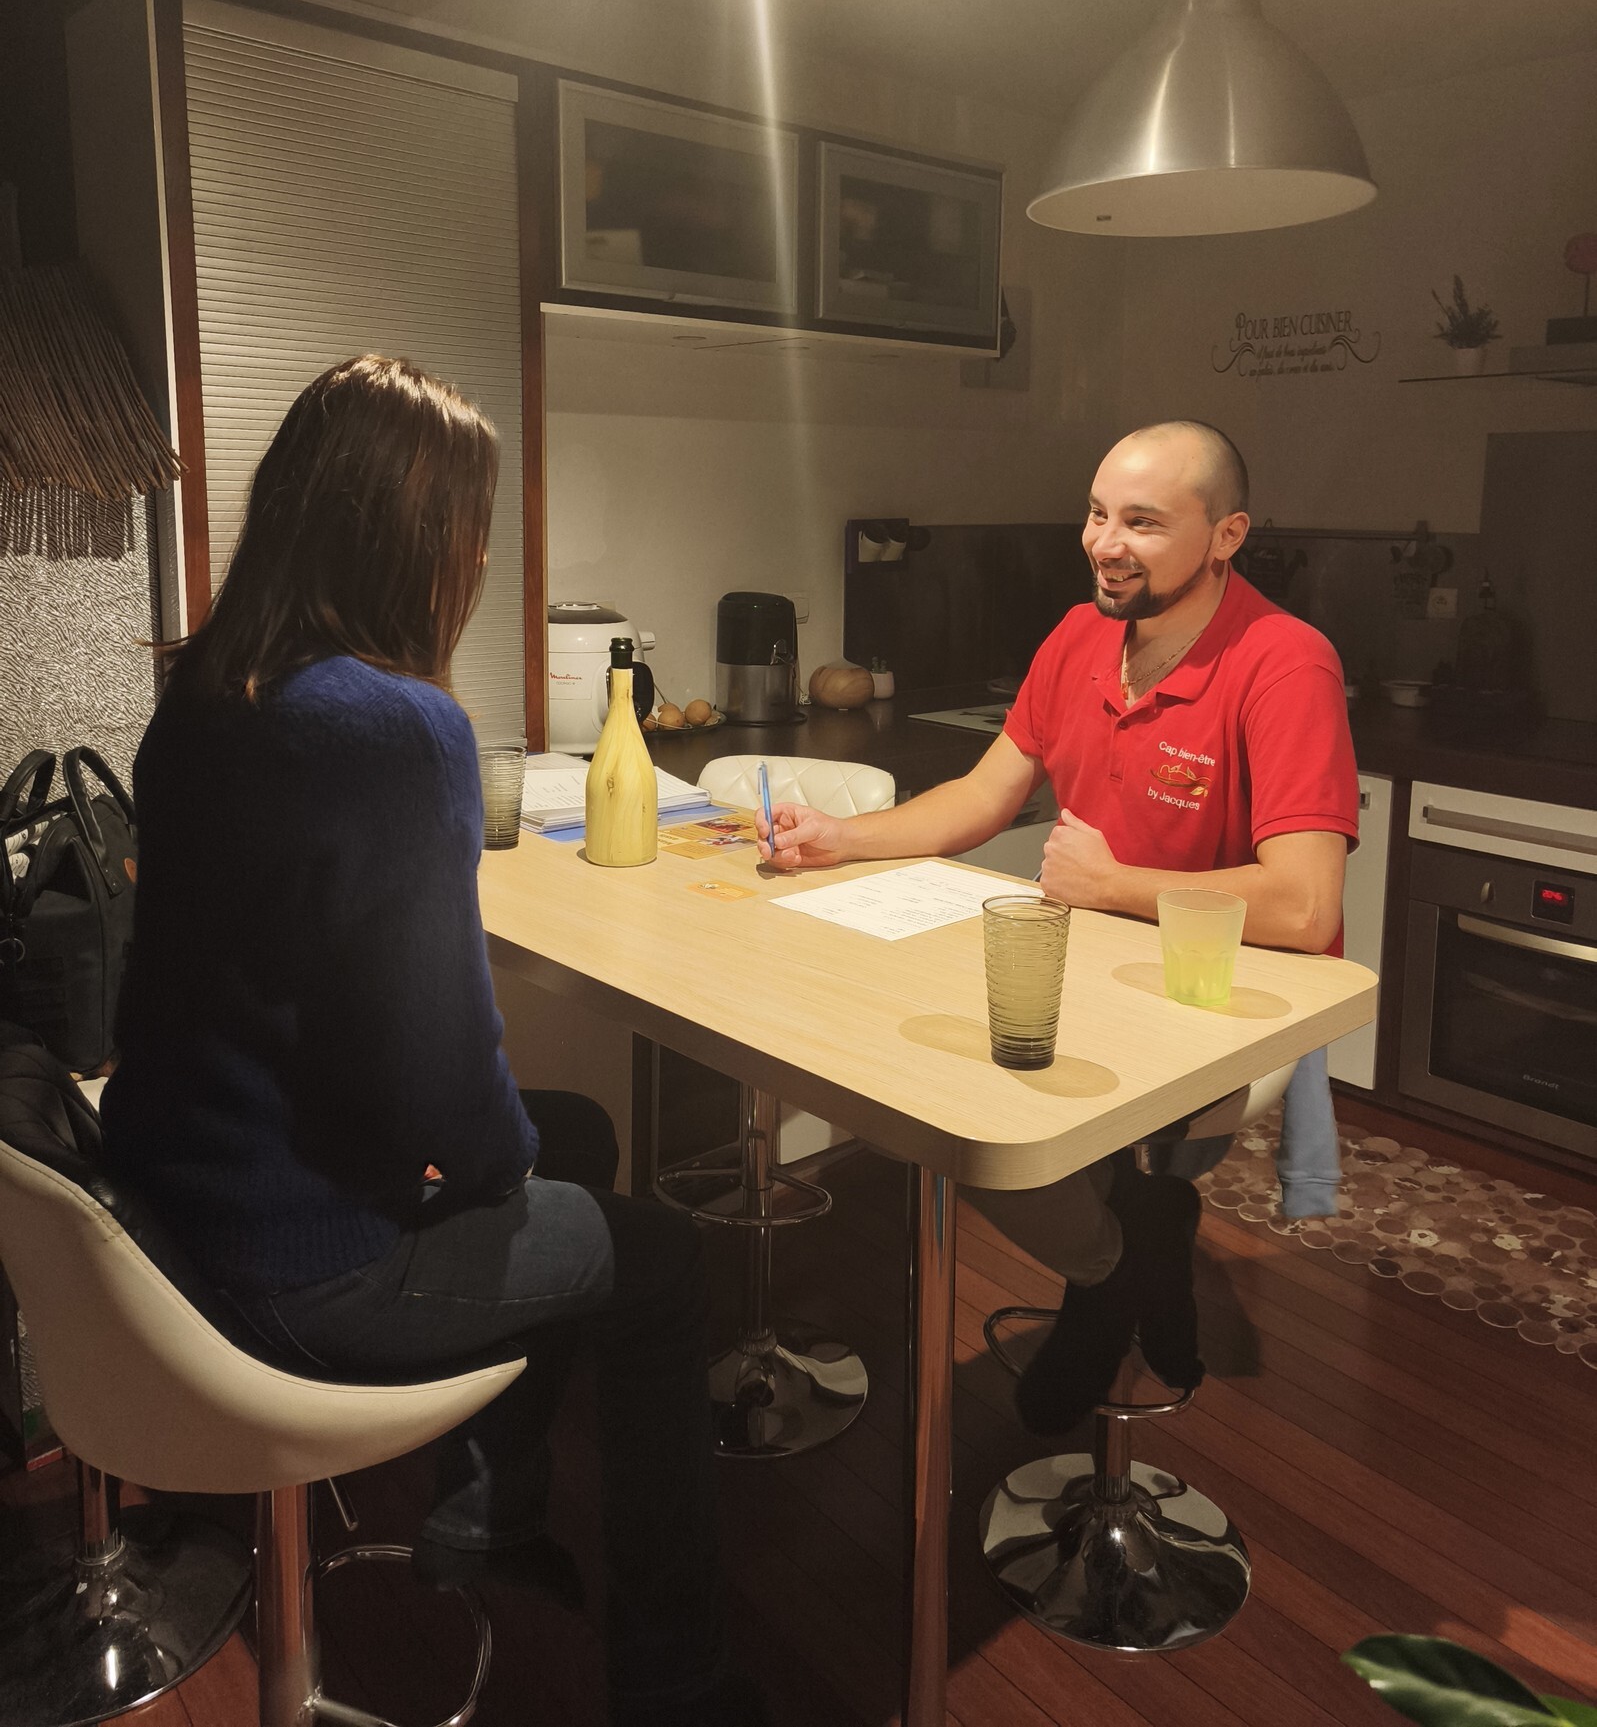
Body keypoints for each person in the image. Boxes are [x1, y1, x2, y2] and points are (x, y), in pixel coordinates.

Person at [101, 355, 765, 1727]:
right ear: (420, 537)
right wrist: (488, 1166)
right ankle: (679, 1687)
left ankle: (485, 1513)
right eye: (468, 522)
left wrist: (499, 1159)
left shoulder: (209, 690)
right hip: (296, 1268)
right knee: (656, 1260)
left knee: (569, 1139)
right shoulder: (397, 729)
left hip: (173, 1213)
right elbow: (439, 1101)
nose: (474, 553)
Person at [758, 420, 1358, 1429]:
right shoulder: (1079, 637)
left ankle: (1109, 1265)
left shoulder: (1283, 663)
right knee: (921, 1082)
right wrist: (842, 835)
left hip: (1214, 1005)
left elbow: (1304, 905)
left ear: (1225, 535)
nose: (1103, 541)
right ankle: (1128, 1244)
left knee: (982, 1119)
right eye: (1095, 513)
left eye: (1142, 521)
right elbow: (985, 792)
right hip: (1085, 968)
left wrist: (1110, 881)